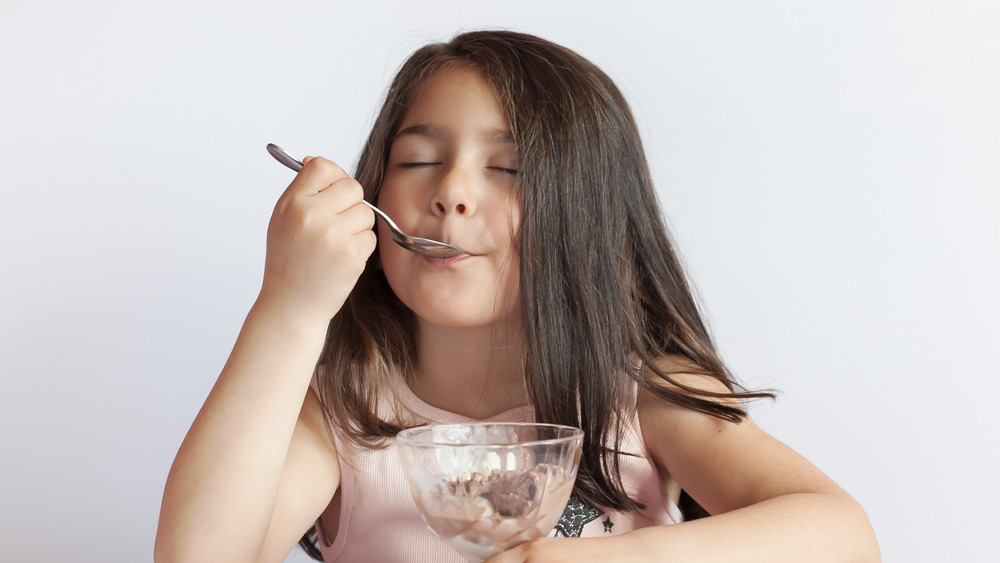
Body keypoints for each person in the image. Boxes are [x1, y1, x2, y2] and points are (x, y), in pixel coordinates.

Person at [155, 30, 879, 563]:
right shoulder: (344, 414)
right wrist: (288, 308)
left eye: (509, 168)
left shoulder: (637, 392)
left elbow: (841, 536)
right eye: (419, 160)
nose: (452, 193)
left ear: (588, 218)